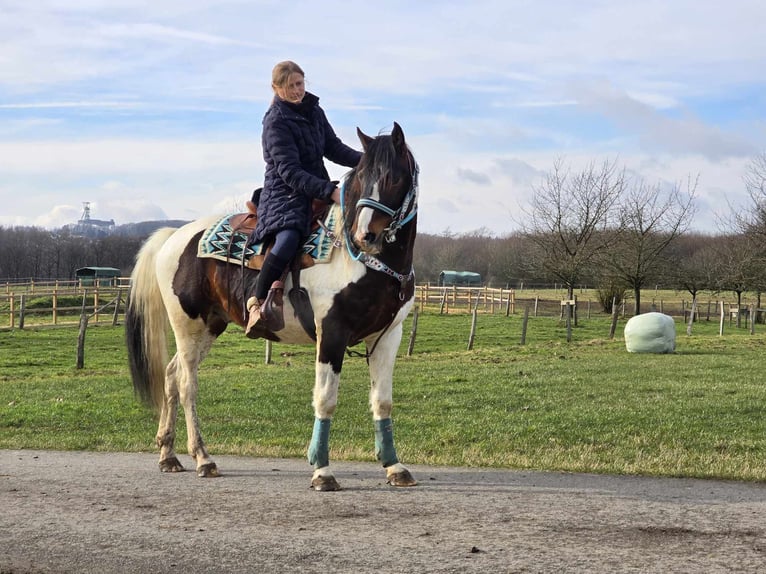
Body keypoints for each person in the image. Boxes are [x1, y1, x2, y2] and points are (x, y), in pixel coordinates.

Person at [245, 60, 363, 338]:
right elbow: (289, 171)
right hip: (284, 194)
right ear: (276, 88)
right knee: (287, 239)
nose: (298, 90)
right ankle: (256, 303)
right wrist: (328, 191)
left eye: (300, 83)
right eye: (291, 86)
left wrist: (368, 160)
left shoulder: (314, 109)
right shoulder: (275, 121)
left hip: (316, 186)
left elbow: (333, 147)